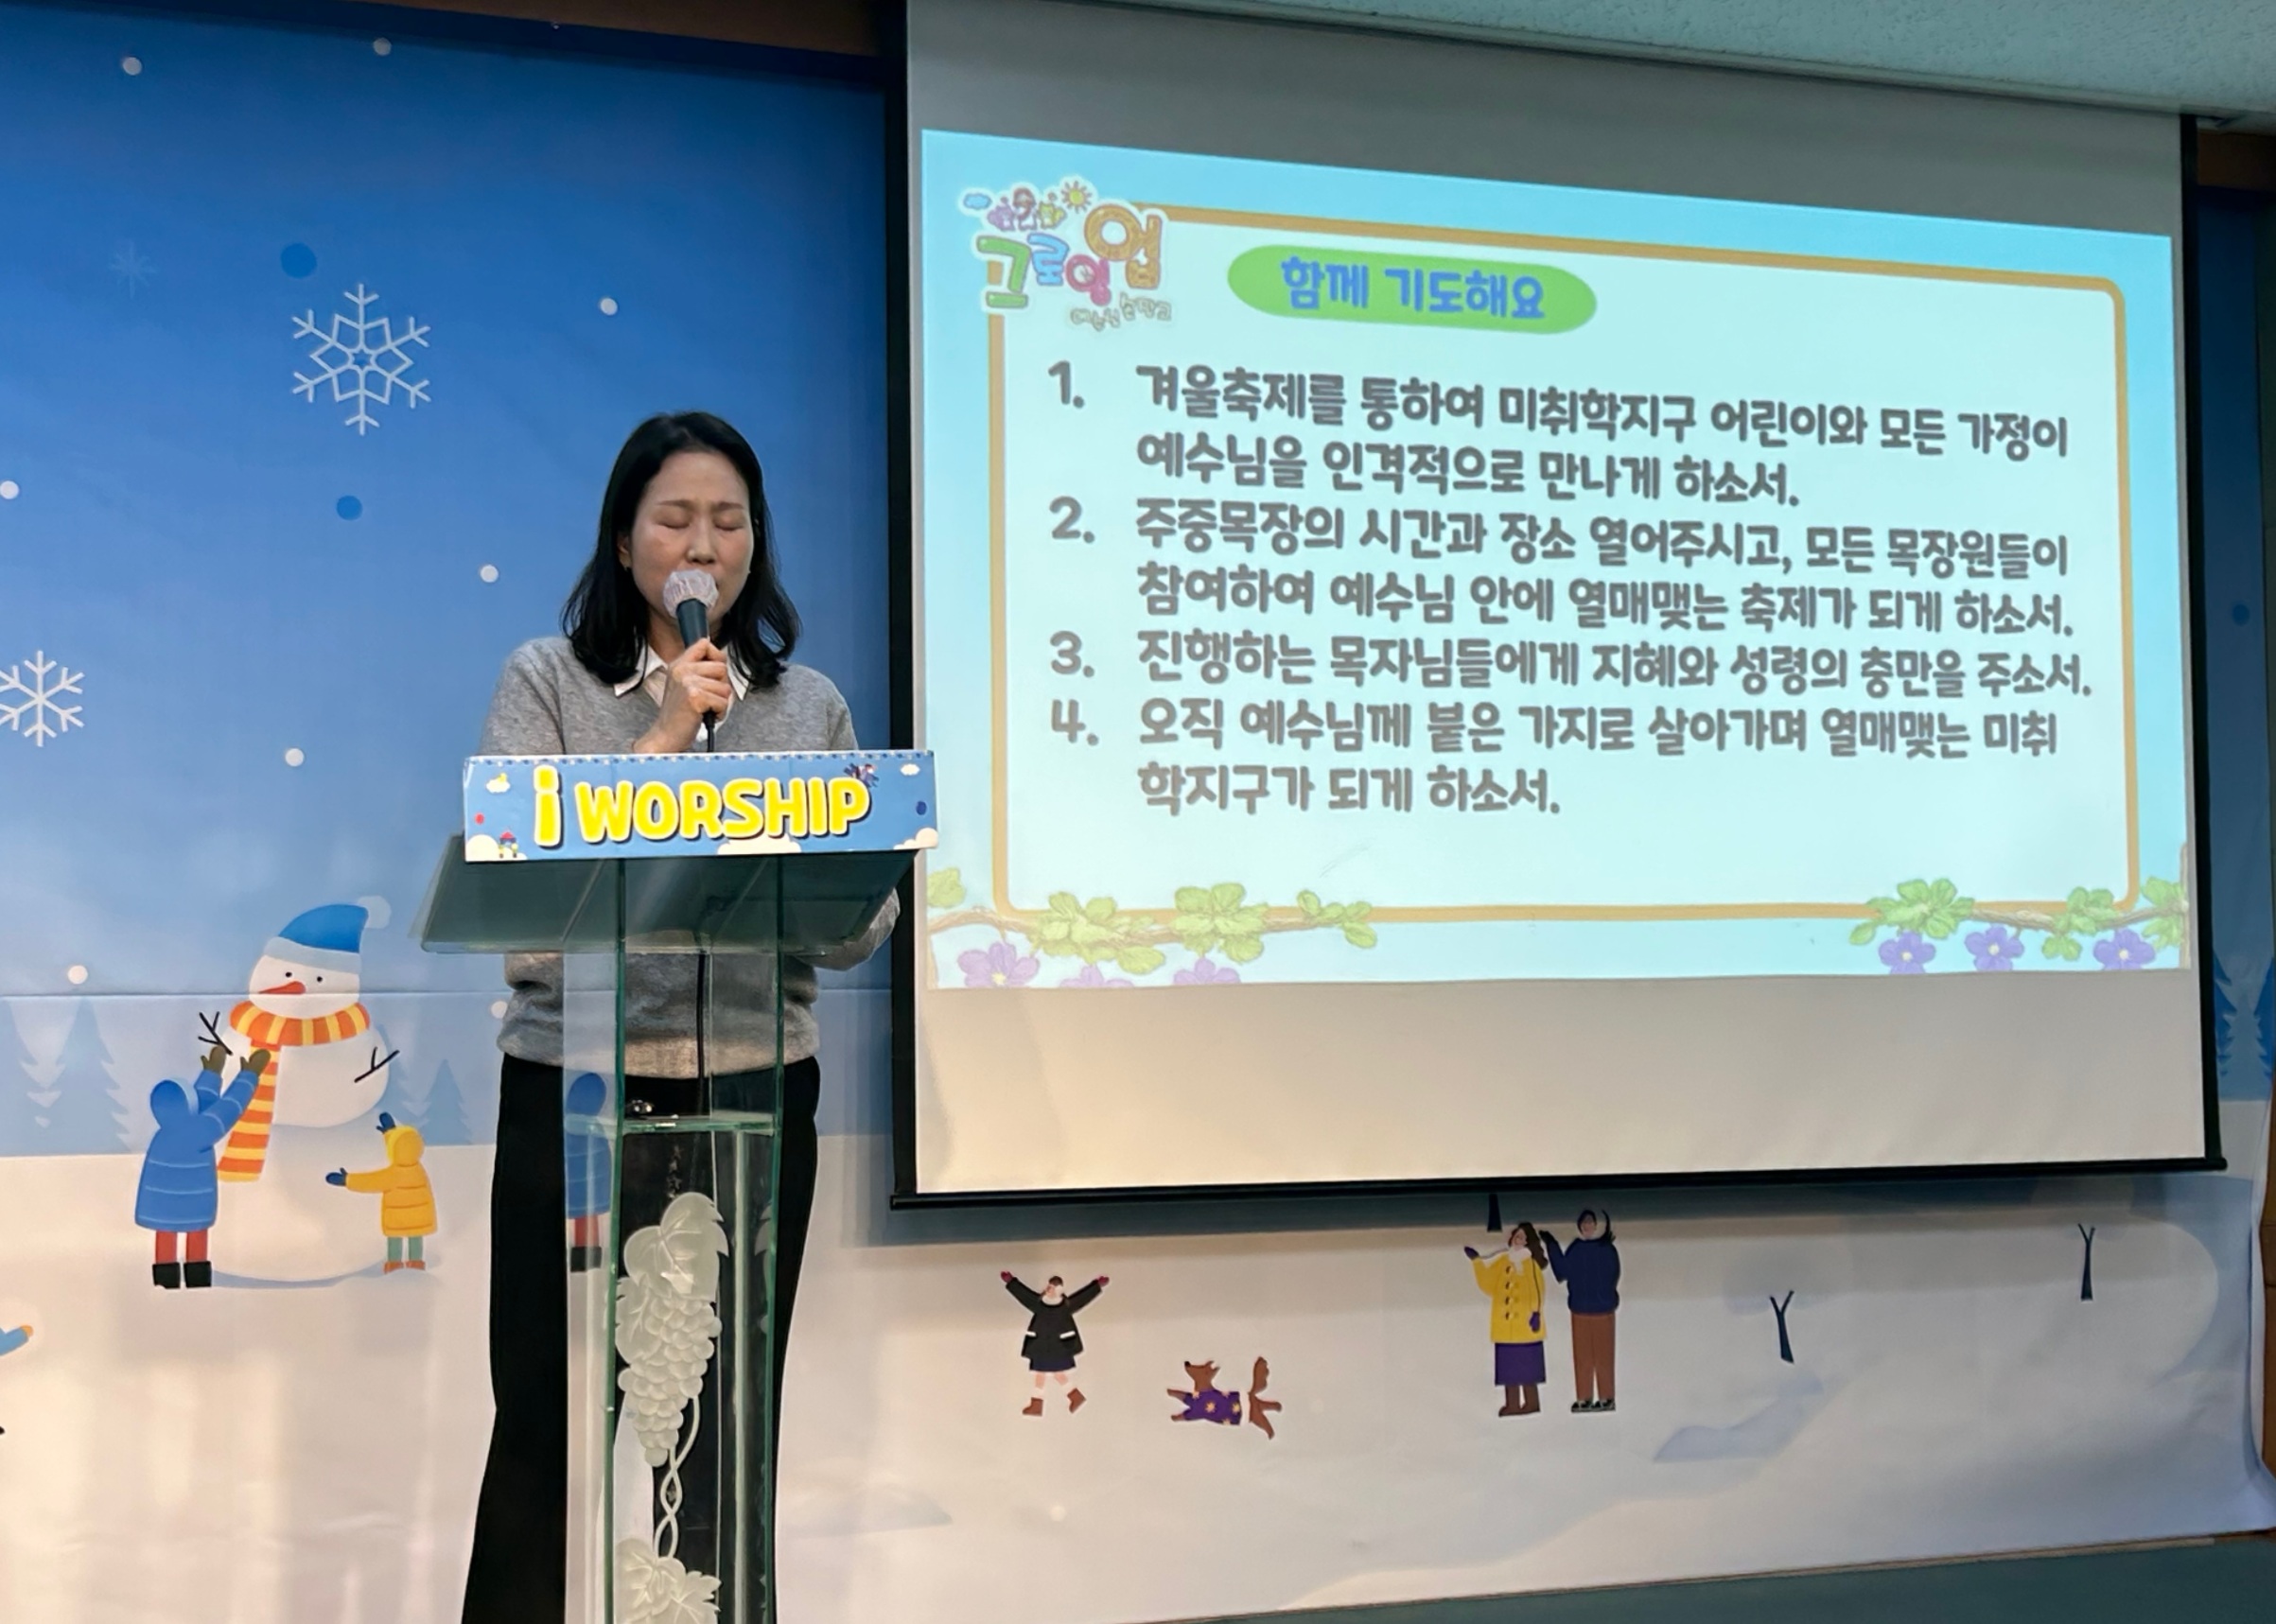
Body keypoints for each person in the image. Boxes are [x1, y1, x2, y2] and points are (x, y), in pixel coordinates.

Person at [463, 412, 898, 1623]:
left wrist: (834, 867)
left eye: (729, 521)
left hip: (754, 1096)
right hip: (577, 1098)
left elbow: (856, 929)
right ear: (623, 539)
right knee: (547, 1420)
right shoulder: (546, 682)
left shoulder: (808, 706)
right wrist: (661, 742)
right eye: (675, 519)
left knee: (719, 1428)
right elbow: (521, 918)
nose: (704, 544)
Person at [134, 1044, 268, 1288]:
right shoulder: (198, 1130)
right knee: (196, 1234)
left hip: (163, 1207)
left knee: (165, 1235)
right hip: (194, 1203)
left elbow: (201, 1103)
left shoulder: (164, 1132)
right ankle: (196, 1279)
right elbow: (227, 1108)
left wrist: (212, 1073)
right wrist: (249, 1076)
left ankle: (165, 1281)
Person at [324, 1112, 438, 1273]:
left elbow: (372, 1181)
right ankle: (416, 1265)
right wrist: (390, 1132)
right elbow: (403, 1146)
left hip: (397, 1218)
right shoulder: (418, 1169)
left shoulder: (394, 1174)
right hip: (418, 1217)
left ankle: (394, 1265)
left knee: (395, 1240)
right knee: (415, 1239)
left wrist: (347, 1180)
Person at [1466, 1223, 1549, 1417]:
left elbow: (1538, 1290)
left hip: (1526, 1327)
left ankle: (1531, 1403)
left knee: (1528, 1368)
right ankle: (1512, 1404)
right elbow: (1488, 1284)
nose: (1519, 1241)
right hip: (1506, 1329)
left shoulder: (1531, 1264)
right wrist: (1477, 1262)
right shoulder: (1503, 1261)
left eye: (1523, 1238)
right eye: (1516, 1237)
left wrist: (1536, 1313)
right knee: (1510, 1369)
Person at [1543, 1208, 1621, 1412]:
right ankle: (1584, 1397)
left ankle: (1606, 1397)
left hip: (1602, 1310)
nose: (1587, 1226)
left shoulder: (1607, 1249)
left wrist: (1606, 1295)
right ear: (1580, 1227)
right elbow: (1562, 1272)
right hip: (1580, 1310)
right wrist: (1551, 1245)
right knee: (1583, 1356)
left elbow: (1613, 1275)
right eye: (1584, 1223)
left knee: (1604, 1355)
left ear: (1596, 1225)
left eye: (1590, 1222)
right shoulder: (1576, 1249)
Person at [1002, 1271, 1107, 1413]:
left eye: (1051, 1288)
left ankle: (1041, 1403)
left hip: (1057, 1347)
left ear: (1058, 1290)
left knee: (1048, 1373)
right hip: (1042, 1346)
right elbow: (1024, 1295)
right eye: (1048, 1287)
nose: (1048, 1290)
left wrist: (1097, 1286)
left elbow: (1082, 1298)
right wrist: (1011, 1282)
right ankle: (1070, 1397)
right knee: (1052, 1373)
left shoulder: (1065, 1306)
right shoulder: (1039, 1304)